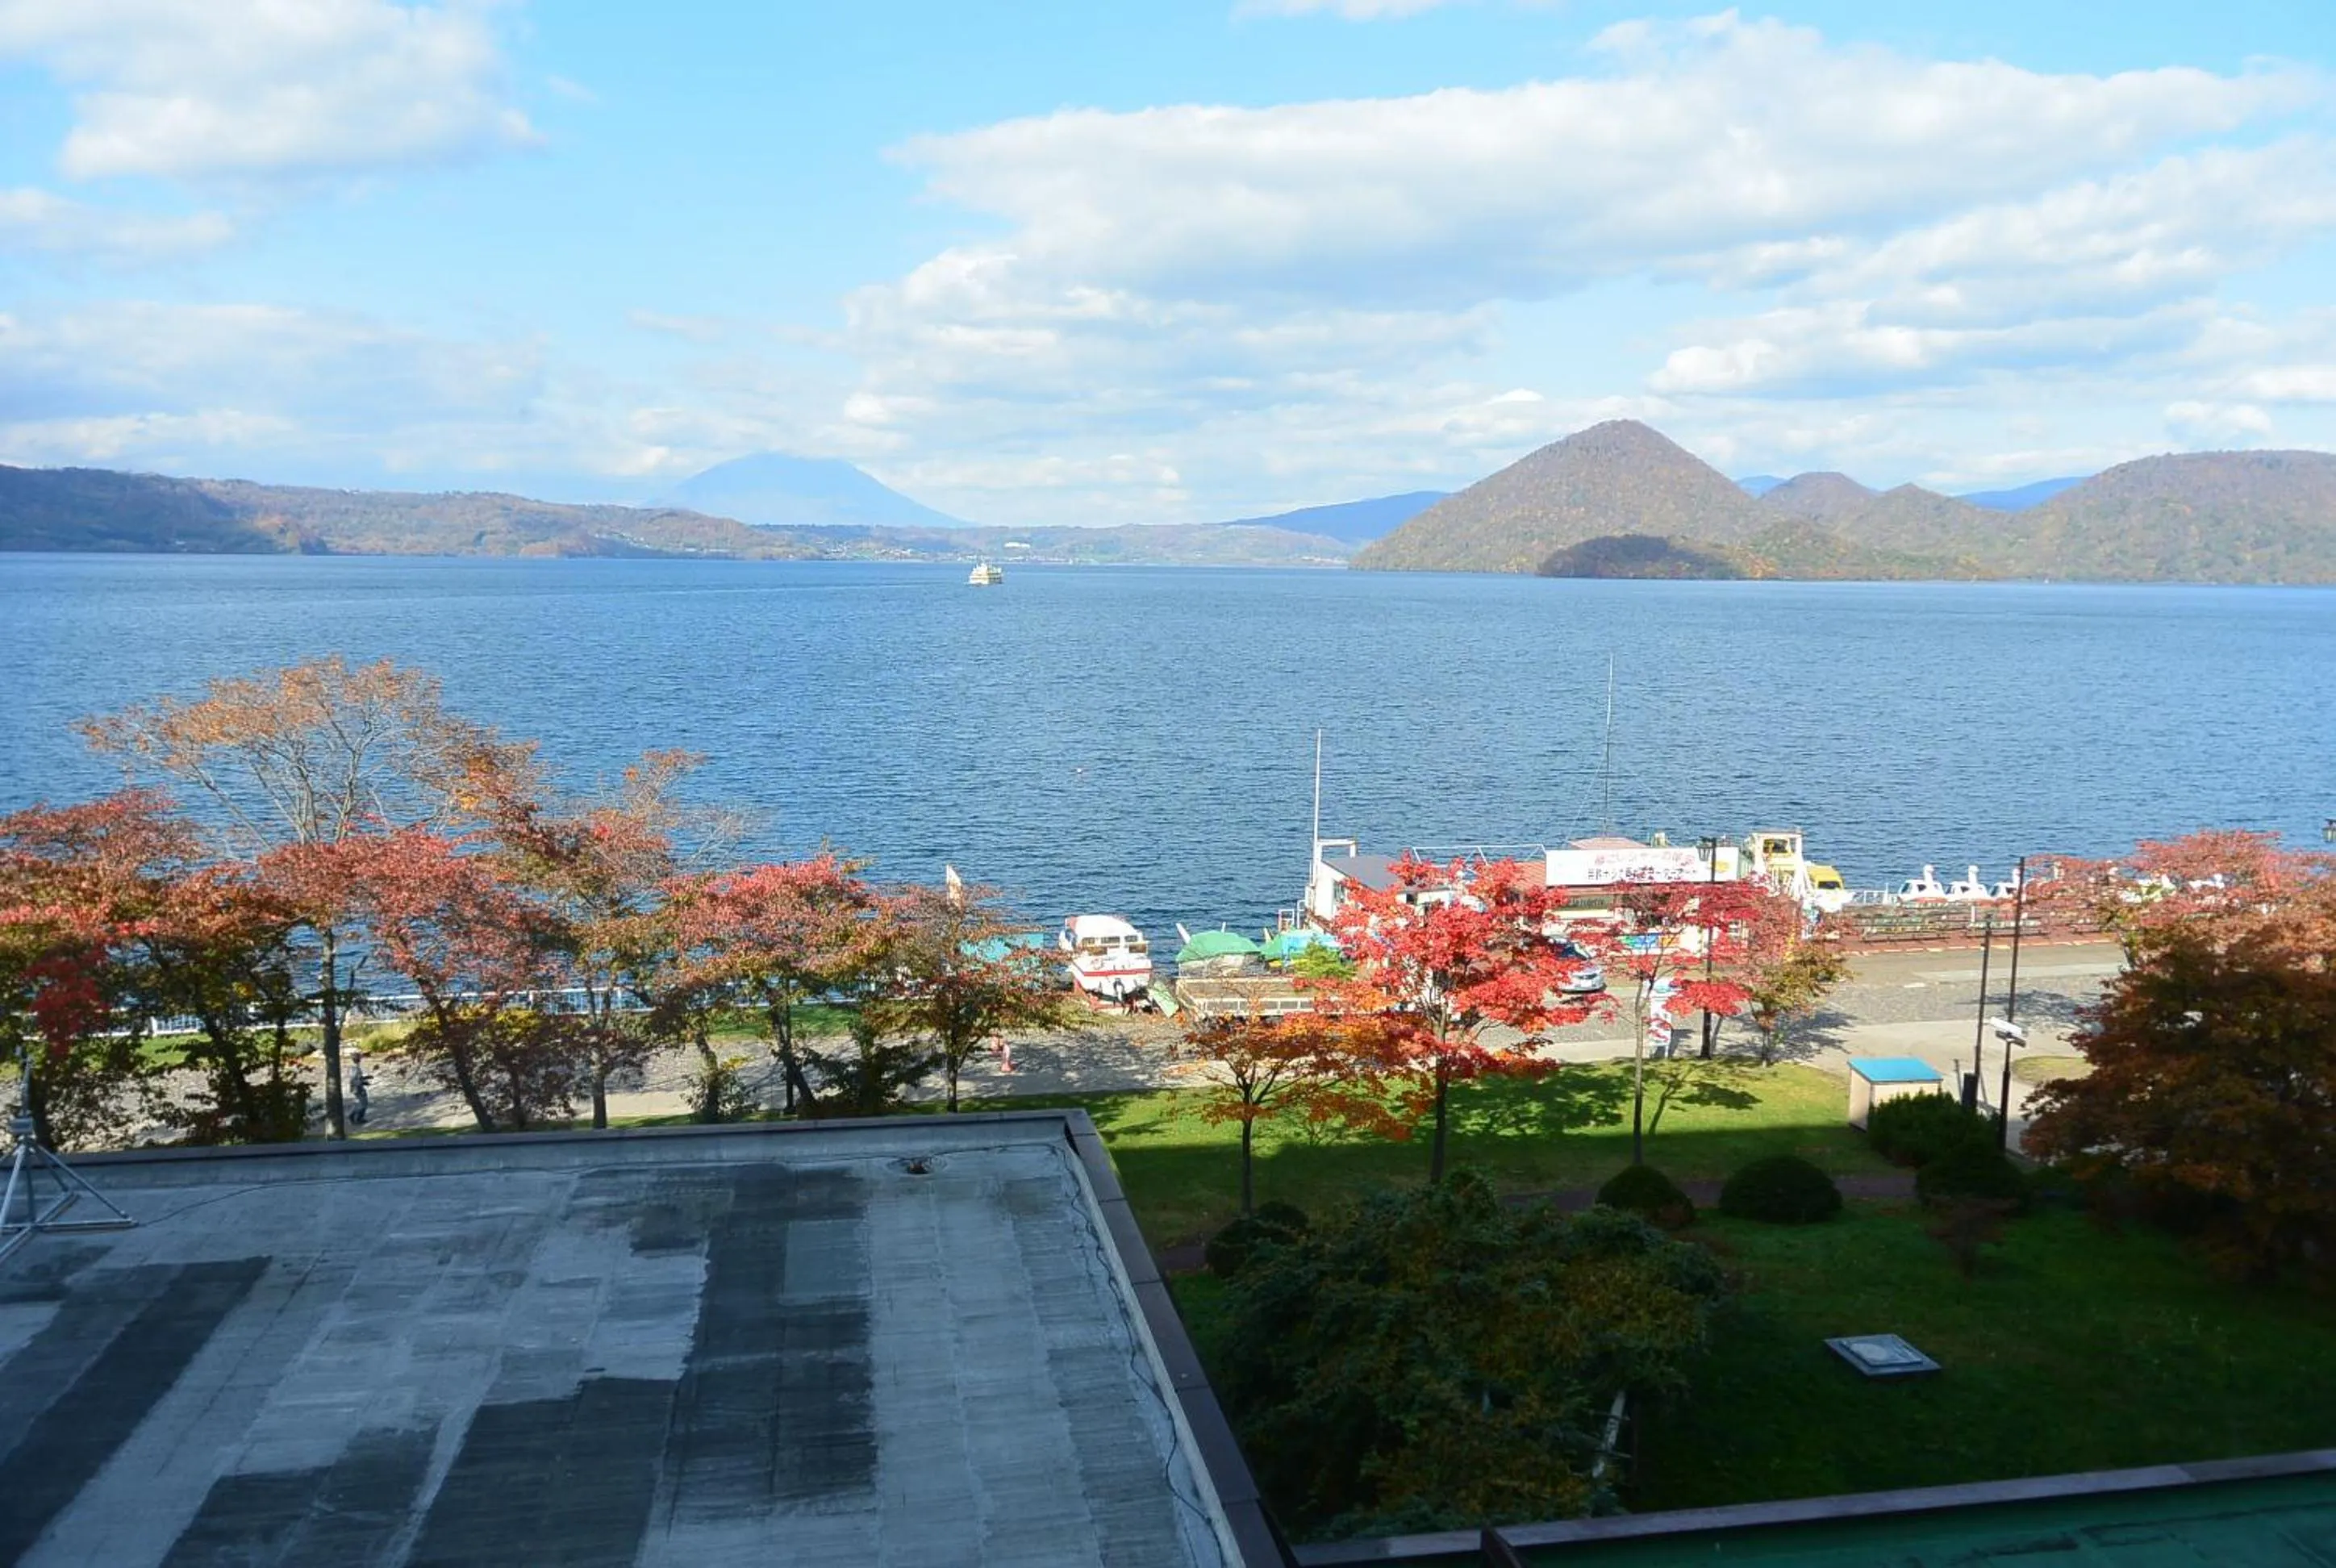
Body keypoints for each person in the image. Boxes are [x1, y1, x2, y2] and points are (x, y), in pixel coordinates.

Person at [348, 1051, 370, 1128]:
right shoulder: (354, 1068)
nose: (360, 1059)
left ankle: (358, 1117)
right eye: (359, 1058)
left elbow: (358, 1078)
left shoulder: (356, 1067)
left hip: (358, 1087)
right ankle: (355, 1117)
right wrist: (363, 1083)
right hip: (357, 1088)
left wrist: (366, 1078)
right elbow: (354, 1079)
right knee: (363, 1104)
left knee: (361, 1103)